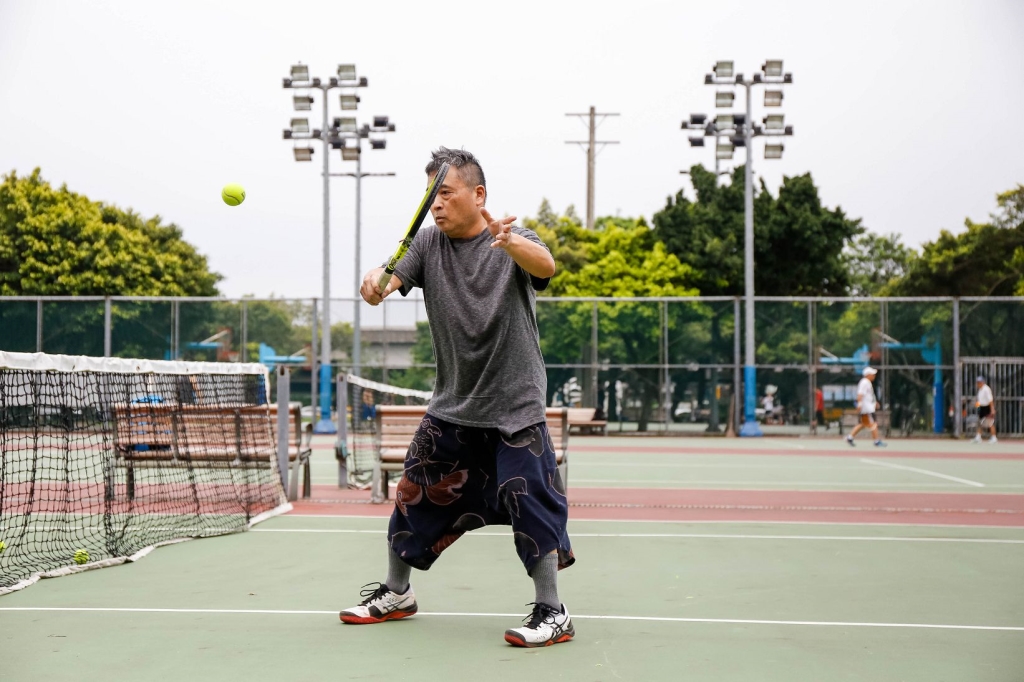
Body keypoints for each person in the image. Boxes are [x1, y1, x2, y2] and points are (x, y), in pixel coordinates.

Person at [339, 147, 575, 648]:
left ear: (478, 194)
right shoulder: (427, 244)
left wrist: (509, 243)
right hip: (453, 404)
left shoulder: (514, 237)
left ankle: (553, 612)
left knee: (529, 500)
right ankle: (397, 593)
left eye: (445, 193)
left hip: (515, 405)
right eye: (431, 197)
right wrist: (375, 284)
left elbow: (546, 266)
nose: (437, 205)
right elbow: (386, 279)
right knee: (411, 492)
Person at [846, 367, 885, 447]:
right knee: (873, 424)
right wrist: (859, 405)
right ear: (868, 375)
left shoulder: (867, 382)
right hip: (867, 409)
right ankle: (876, 441)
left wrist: (874, 402)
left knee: (863, 424)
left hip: (868, 407)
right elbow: (860, 394)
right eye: (872, 374)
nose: (874, 375)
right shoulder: (864, 382)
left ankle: (849, 437)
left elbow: (869, 395)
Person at [973, 376, 997, 443]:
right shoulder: (980, 390)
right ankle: (978, 437)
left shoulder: (986, 389)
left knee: (990, 423)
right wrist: (977, 406)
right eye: (977, 382)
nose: (978, 383)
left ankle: (994, 437)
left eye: (979, 382)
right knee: (980, 423)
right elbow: (980, 401)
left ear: (983, 382)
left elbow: (990, 400)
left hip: (987, 408)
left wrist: (992, 409)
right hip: (982, 408)